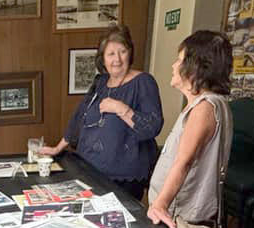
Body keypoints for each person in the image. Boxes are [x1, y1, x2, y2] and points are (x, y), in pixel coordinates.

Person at [38, 25, 163, 199]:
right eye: (111, 54)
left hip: (123, 178)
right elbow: (79, 117)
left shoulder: (143, 82)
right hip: (89, 171)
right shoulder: (100, 82)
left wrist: (121, 109)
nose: (117, 59)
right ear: (102, 58)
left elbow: (152, 127)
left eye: (122, 51)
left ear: (130, 53)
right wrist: (57, 148)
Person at [147, 30, 234, 228]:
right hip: (179, 218)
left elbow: (184, 162)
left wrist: (160, 205)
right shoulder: (203, 104)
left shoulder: (205, 108)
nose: (173, 66)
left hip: (183, 224)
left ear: (195, 67)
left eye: (179, 59)